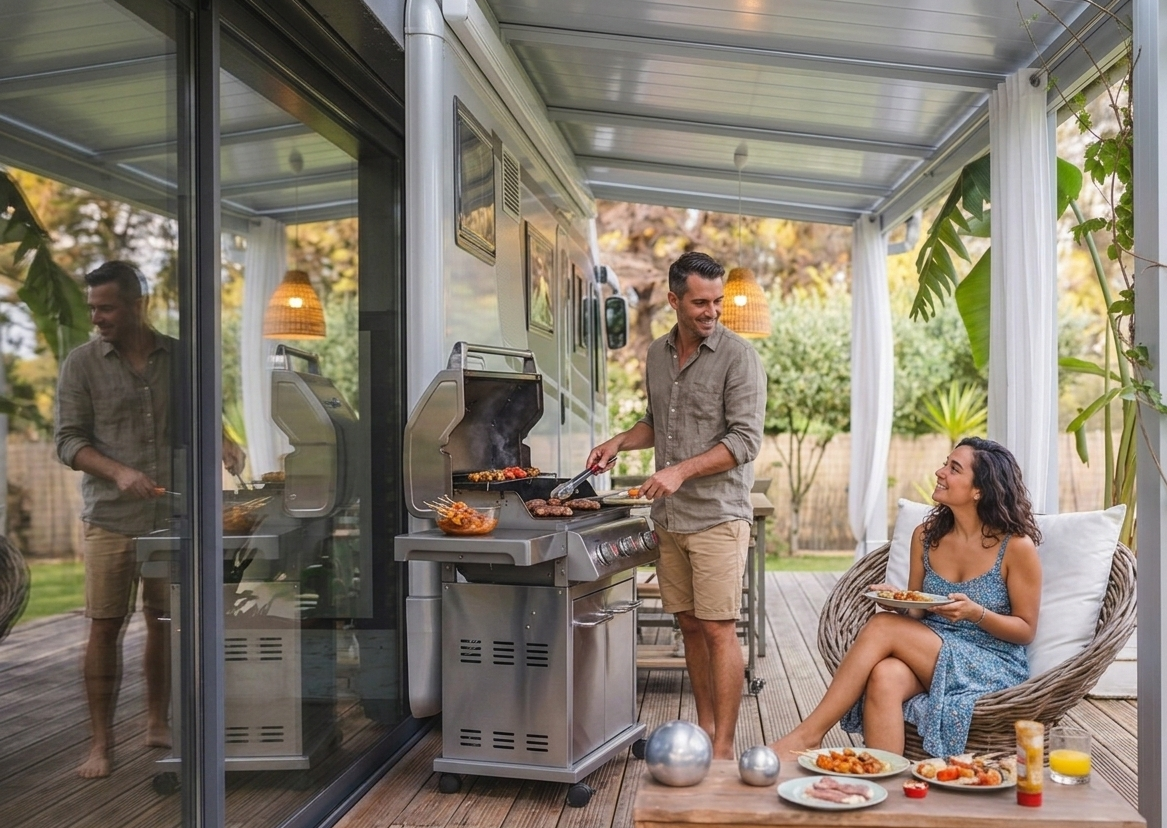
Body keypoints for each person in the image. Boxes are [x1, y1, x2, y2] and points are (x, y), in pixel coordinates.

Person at [55, 260, 246, 778]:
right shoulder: (81, 364)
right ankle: (100, 743)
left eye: (107, 307)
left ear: (137, 305)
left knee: (162, 622)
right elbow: (67, 441)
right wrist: (116, 471)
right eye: (93, 307)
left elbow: (203, 414)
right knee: (104, 625)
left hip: (170, 518)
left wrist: (226, 443)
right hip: (110, 519)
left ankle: (156, 721)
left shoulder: (180, 357)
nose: (97, 317)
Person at [587, 251, 765, 760]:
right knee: (688, 624)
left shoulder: (739, 357)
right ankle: (705, 730)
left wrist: (680, 470)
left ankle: (726, 748)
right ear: (673, 300)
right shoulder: (656, 355)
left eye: (717, 302)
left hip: (717, 515)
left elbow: (746, 440)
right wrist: (620, 441)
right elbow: (657, 422)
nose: (711, 312)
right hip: (670, 519)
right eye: (700, 302)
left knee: (718, 628)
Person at [771, 437, 1042, 759]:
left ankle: (808, 735)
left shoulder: (1015, 546)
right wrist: (899, 603)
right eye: (945, 462)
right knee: (885, 675)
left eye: (954, 468)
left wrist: (976, 613)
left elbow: (1025, 629)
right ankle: (883, 780)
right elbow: (917, 613)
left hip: (990, 661)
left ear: (978, 490)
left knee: (883, 626)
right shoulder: (927, 536)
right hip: (932, 649)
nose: (940, 471)